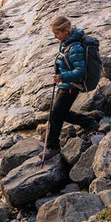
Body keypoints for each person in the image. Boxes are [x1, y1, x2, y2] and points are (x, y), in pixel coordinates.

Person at [43, 16, 99, 159]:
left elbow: (80, 71)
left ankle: (52, 147)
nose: (55, 37)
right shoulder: (67, 41)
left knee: (55, 114)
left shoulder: (75, 47)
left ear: (66, 31)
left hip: (70, 86)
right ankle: (89, 123)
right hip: (65, 84)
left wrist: (62, 77)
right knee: (59, 112)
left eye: (57, 33)